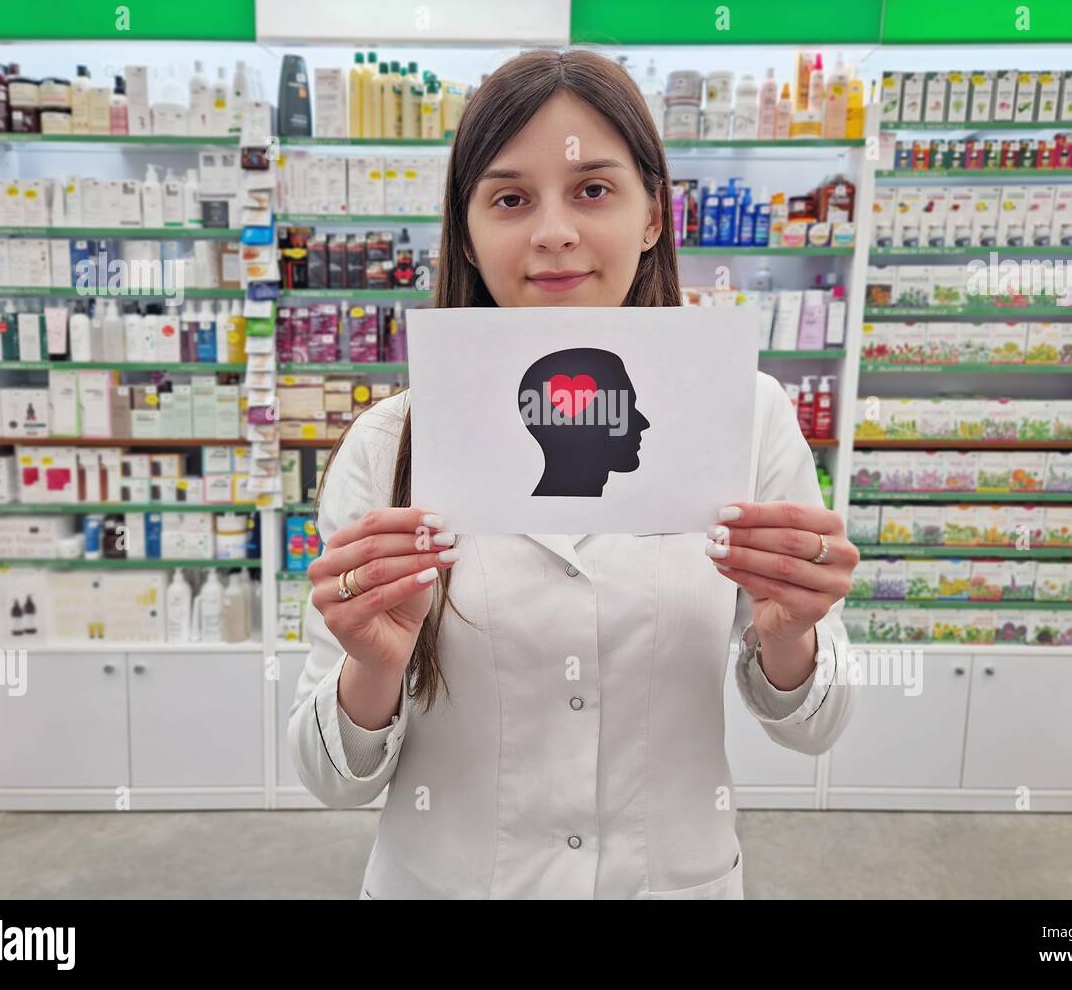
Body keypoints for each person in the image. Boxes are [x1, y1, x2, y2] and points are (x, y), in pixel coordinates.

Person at [288, 48, 859, 900]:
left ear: (654, 215)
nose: (553, 231)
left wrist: (790, 636)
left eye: (593, 189)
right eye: (511, 198)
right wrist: (372, 667)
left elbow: (818, 729)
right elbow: (331, 777)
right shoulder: (389, 442)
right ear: (470, 235)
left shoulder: (751, 415)